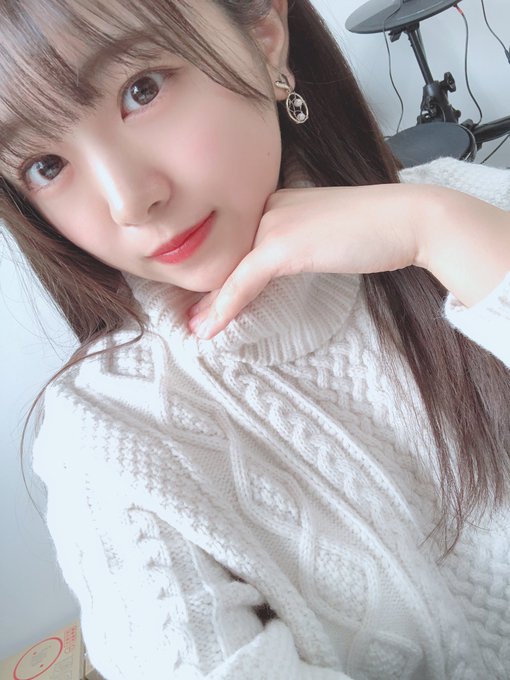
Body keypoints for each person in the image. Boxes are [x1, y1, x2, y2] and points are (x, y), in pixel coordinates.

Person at [1, 0, 509, 678]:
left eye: (141, 89)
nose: (128, 202)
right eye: (44, 164)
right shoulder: (102, 435)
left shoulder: (463, 215)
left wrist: (438, 231)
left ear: (265, 35)